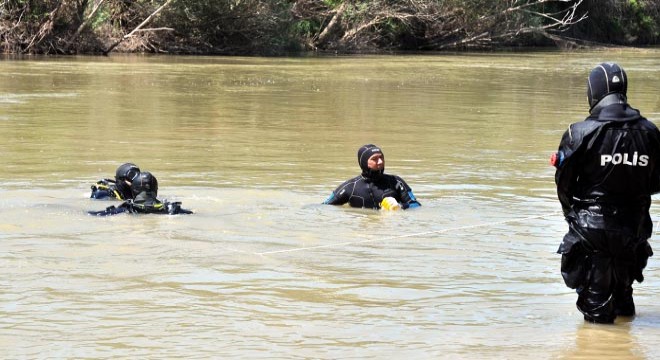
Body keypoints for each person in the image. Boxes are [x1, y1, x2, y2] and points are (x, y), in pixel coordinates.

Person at [552, 62, 660, 323]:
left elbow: (564, 185)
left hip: (592, 231)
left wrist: (574, 217)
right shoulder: (650, 132)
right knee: (623, 300)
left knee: (597, 316)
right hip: (632, 230)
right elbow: (656, 184)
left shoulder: (579, 132)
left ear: (594, 92)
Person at [323, 144, 421, 210]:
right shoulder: (350, 187)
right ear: (364, 163)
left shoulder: (396, 182)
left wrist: (400, 206)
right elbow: (325, 207)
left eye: (381, 157)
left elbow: (416, 205)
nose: (380, 161)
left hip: (390, 229)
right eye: (375, 159)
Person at [89, 171, 193, 216]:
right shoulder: (172, 209)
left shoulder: (125, 209)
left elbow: (94, 215)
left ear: (134, 190)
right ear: (155, 189)